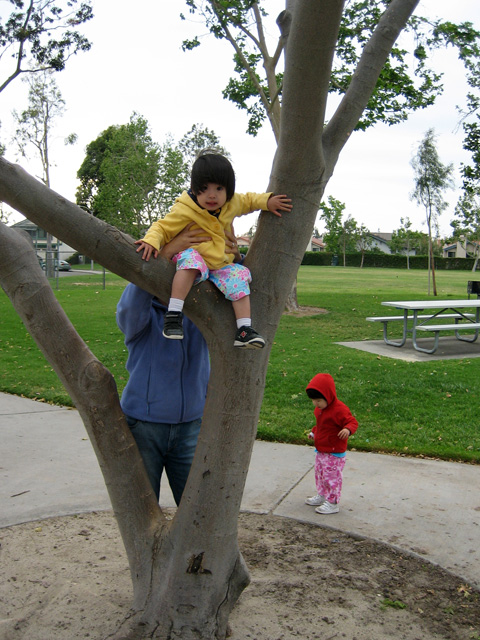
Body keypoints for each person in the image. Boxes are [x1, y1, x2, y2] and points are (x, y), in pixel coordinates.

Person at [134, 151, 292, 349]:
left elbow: (250, 200)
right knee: (191, 261)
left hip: (219, 265)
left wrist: (268, 202)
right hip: (193, 258)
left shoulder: (232, 203)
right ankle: (173, 314)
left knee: (239, 275)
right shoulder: (185, 209)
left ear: (228, 190)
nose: (212, 195)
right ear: (194, 189)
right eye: (204, 188)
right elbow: (162, 228)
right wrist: (151, 241)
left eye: (219, 188)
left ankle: (244, 330)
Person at [116, 225, 218, 505]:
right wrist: (166, 250)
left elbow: (232, 287)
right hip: (144, 427)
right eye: (169, 267)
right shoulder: (142, 318)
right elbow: (128, 307)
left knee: (194, 508)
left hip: (190, 428)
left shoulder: (199, 316)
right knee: (144, 508)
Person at [304, 373, 358, 515]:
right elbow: (322, 426)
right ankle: (322, 495)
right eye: (313, 401)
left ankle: (333, 502)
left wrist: (347, 429)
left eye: (319, 401)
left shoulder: (339, 409)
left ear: (328, 395)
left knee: (331, 477)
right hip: (321, 450)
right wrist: (314, 433)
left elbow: (352, 422)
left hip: (334, 452)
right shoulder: (320, 409)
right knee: (320, 474)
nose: (316, 404)